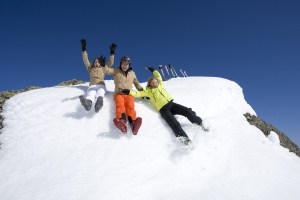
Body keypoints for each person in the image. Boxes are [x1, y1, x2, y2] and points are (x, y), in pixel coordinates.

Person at [121, 66, 209, 145]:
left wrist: (153, 70)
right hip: (163, 110)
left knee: (187, 111)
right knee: (174, 123)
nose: (155, 84)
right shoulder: (148, 92)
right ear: (150, 84)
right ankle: (185, 140)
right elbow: (137, 94)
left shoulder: (160, 85)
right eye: (153, 83)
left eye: (155, 82)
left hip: (171, 104)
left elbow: (158, 75)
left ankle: (199, 123)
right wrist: (128, 92)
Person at [103, 56, 143, 135]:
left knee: (130, 106)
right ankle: (122, 122)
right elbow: (106, 70)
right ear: (121, 64)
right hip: (119, 94)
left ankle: (133, 123)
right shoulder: (115, 70)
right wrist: (103, 64)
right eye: (123, 64)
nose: (125, 65)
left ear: (129, 64)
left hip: (129, 94)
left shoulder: (132, 73)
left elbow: (136, 83)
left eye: (127, 64)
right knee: (120, 106)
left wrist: (142, 92)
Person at [79, 39, 117, 113]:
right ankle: (88, 104)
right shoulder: (90, 68)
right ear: (93, 63)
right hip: (92, 85)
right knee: (90, 93)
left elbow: (111, 62)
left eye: (98, 62)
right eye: (95, 62)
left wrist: (112, 52)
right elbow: (85, 60)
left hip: (101, 85)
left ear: (100, 64)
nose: (96, 63)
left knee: (100, 92)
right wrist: (84, 48)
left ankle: (99, 103)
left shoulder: (103, 68)